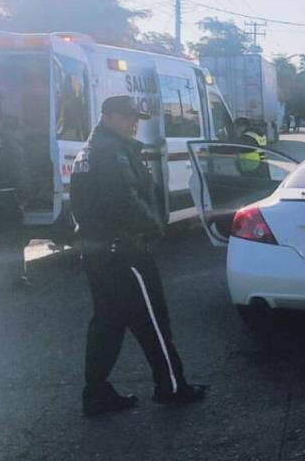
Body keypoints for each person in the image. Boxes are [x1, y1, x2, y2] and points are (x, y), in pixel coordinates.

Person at [71, 95, 208, 416]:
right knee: (153, 321)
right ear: (108, 116)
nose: (134, 123)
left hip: (98, 251)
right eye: (128, 117)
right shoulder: (111, 152)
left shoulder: (91, 150)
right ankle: (171, 387)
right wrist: (156, 227)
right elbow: (126, 202)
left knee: (107, 323)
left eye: (136, 117)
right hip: (125, 252)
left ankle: (96, 393)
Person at [0, 93, 28, 291]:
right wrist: (24, 194)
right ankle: (16, 278)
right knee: (11, 238)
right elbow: (18, 168)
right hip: (5, 196)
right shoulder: (7, 138)